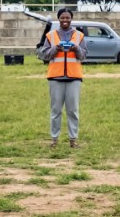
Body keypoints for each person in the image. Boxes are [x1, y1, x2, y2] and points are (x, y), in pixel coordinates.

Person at [40, 8, 87, 148]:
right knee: (56, 110)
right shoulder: (51, 35)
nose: (65, 20)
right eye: (62, 18)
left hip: (74, 77)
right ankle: (54, 139)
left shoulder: (79, 36)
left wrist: (76, 49)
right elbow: (44, 55)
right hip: (55, 77)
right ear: (58, 19)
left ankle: (73, 140)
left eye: (67, 18)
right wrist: (56, 48)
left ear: (71, 19)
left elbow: (83, 56)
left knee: (73, 110)